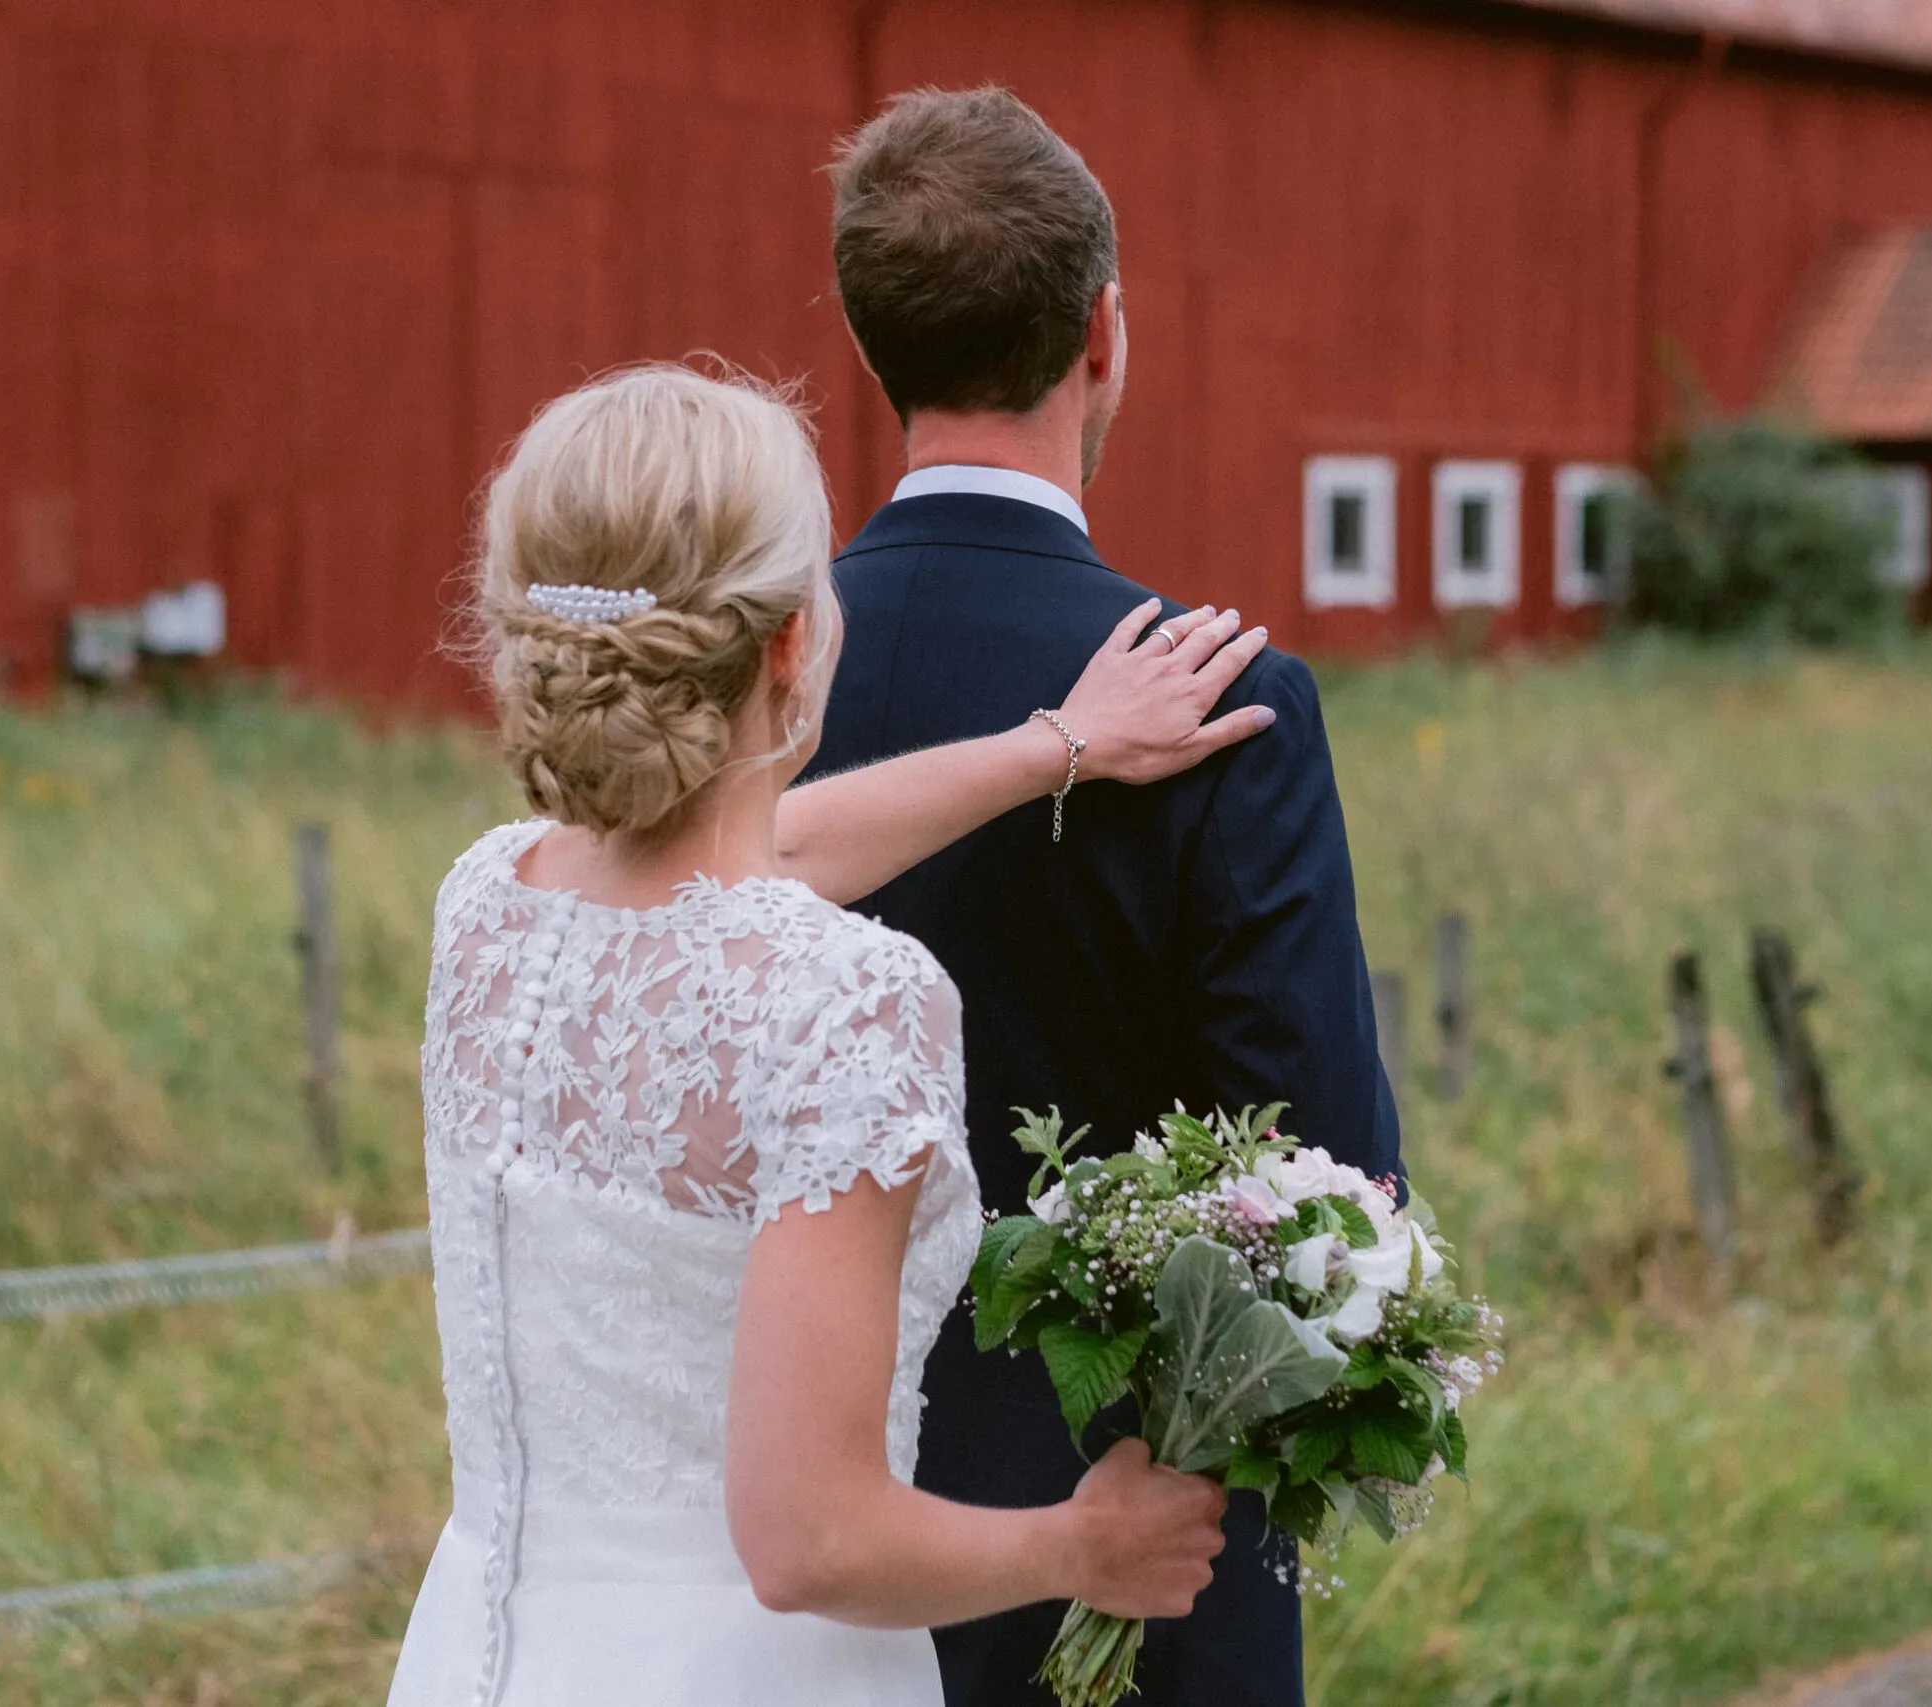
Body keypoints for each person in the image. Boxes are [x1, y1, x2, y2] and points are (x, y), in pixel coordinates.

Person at [388, 361, 1284, 1707]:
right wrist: (1086, 1544)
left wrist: (1058, 746)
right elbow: (808, 1539)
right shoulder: (844, 1002)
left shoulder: (492, 904)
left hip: (476, 1658)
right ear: (796, 639)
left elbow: (762, 855)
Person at [801, 87, 1406, 1707]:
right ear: (1106, 330)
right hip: (1141, 1531)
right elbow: (1331, 1168)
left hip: (793, 1512)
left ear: (876, 353)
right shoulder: (1225, 702)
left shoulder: (750, 690)